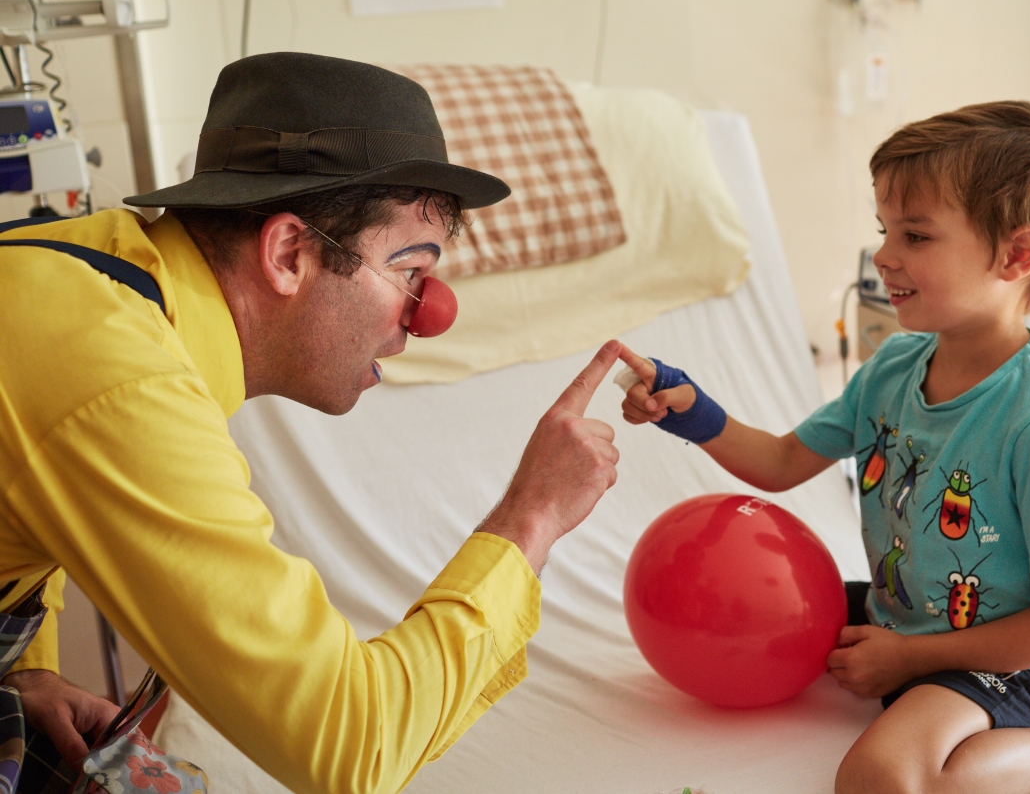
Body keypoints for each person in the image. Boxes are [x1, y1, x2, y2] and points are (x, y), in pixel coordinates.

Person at [0, 53, 622, 794]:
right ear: (289, 252)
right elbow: (356, 743)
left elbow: (34, 464)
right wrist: (533, 518)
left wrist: (27, 674)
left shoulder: (94, 270)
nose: (428, 316)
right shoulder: (118, 376)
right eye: (410, 271)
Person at [616, 102, 1030, 794]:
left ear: (1017, 254)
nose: (885, 254)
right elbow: (782, 463)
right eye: (885, 229)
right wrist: (692, 411)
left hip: (1013, 661)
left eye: (917, 235)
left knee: (883, 777)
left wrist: (909, 657)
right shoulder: (892, 369)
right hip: (906, 617)